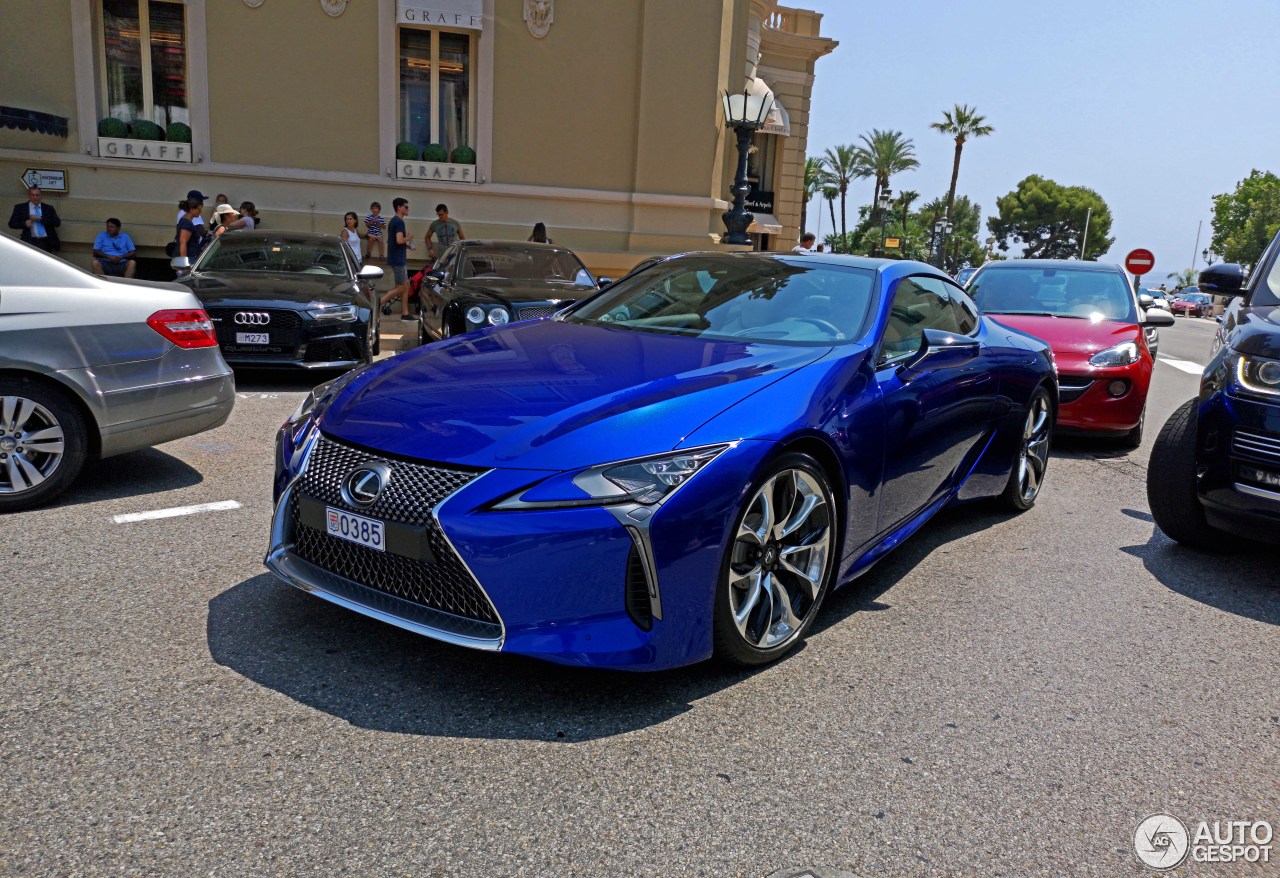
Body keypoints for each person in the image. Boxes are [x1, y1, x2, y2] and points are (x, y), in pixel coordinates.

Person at [378, 198, 416, 321]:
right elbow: (399, 240)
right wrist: (409, 237)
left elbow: (394, 241)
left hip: (396, 257)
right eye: (406, 207)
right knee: (401, 287)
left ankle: (405, 313)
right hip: (398, 259)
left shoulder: (394, 221)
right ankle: (377, 304)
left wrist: (407, 245)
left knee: (405, 284)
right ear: (399, 207)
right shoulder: (399, 222)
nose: (407, 209)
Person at [8, 186, 61, 252]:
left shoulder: (48, 208)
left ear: (41, 196)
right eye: (32, 195)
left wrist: (40, 218)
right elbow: (12, 224)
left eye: (37, 195)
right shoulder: (20, 208)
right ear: (29, 195)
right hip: (30, 241)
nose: (35, 197)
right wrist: (24, 224)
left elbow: (57, 223)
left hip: (46, 242)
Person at [175, 197, 208, 270]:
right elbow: (183, 243)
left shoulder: (185, 221)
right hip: (189, 258)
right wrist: (184, 265)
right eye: (199, 209)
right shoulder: (187, 224)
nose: (200, 212)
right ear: (192, 209)